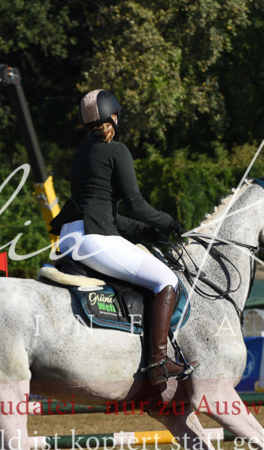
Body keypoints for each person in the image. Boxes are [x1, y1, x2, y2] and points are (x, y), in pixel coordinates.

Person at [50, 89, 196, 385]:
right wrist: (170, 222)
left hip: (68, 237)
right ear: (114, 117)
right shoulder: (117, 150)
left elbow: (108, 212)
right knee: (166, 281)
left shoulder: (80, 155)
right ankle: (157, 362)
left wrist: (145, 231)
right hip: (94, 239)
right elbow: (136, 203)